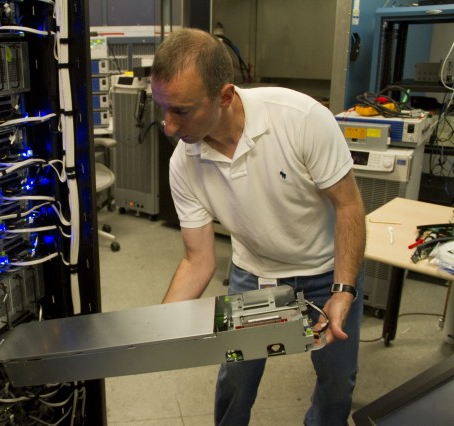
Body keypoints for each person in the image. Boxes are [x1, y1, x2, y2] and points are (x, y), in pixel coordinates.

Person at [150, 28, 366, 426]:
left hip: (325, 271)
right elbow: (197, 260)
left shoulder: (300, 119)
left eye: (181, 110)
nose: (168, 126)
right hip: (256, 275)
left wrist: (343, 288)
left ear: (225, 96)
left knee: (337, 384)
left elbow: (349, 206)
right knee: (235, 378)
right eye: (161, 108)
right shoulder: (185, 162)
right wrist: (159, 329)